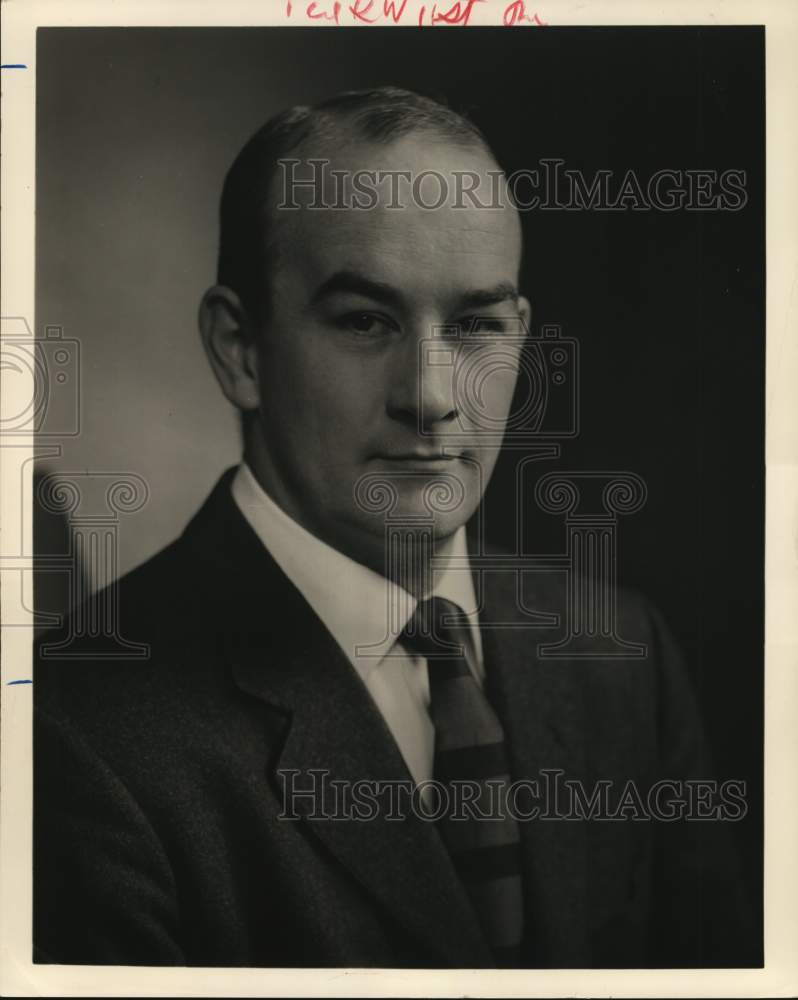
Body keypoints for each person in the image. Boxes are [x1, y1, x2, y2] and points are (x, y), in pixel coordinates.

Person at [33, 87, 757, 968]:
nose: (434, 397)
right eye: (365, 322)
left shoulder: (620, 653)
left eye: (476, 324)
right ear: (240, 349)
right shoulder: (74, 739)